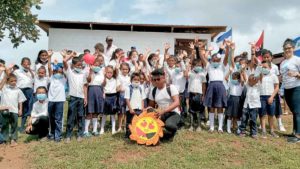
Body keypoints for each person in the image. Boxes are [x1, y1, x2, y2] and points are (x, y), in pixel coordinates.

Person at [148, 68, 180, 140]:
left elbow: (177, 102)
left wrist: (164, 111)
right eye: (154, 80)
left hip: (173, 113)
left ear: (163, 78)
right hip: (160, 114)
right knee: (148, 127)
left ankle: (175, 128)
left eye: (158, 79)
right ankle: (164, 131)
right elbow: (151, 106)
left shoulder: (171, 87)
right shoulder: (153, 90)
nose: (156, 81)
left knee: (169, 125)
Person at [63, 52, 88, 143]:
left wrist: (85, 98)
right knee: (71, 117)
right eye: (78, 65)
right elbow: (64, 60)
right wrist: (71, 55)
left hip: (81, 98)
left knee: (81, 116)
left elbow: (85, 86)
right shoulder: (69, 72)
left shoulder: (83, 74)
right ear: (73, 65)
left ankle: (80, 134)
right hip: (73, 98)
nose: (80, 67)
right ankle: (68, 136)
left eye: (81, 65)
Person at [280, 38, 300, 143]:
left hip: (296, 88)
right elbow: (282, 76)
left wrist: (297, 74)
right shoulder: (283, 63)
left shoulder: (297, 60)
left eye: (289, 48)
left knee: (297, 111)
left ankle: (298, 136)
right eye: (285, 48)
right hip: (287, 89)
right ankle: (294, 132)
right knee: (294, 112)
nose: (287, 50)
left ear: (293, 48)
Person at [261, 49, 286, 132]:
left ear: (272, 57)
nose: (266, 58)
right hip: (264, 91)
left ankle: (280, 124)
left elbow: (278, 78)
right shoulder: (261, 66)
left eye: (268, 57)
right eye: (264, 57)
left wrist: (277, 89)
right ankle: (262, 126)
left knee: (277, 108)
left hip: (274, 91)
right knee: (263, 108)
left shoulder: (275, 67)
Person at [0, 73, 26, 146]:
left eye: (15, 81)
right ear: (8, 82)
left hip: (14, 110)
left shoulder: (18, 90)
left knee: (14, 125)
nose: (14, 82)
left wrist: (20, 110)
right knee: (4, 125)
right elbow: (1, 86)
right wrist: (6, 76)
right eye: (12, 81)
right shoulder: (4, 88)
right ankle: (4, 140)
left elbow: (20, 101)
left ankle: (13, 140)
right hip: (4, 110)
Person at [85, 56, 105, 137]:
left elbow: (103, 83)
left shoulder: (102, 71)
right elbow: (88, 81)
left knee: (96, 112)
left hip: (99, 90)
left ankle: (94, 130)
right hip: (91, 90)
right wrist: (90, 71)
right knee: (90, 111)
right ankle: (86, 131)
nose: (97, 65)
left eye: (98, 64)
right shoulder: (88, 70)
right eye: (95, 64)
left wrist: (103, 91)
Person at [47, 53, 66, 142]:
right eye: (57, 72)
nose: (58, 73)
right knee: (51, 118)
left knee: (58, 119)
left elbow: (66, 68)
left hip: (60, 101)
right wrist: (49, 57)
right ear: (54, 72)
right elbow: (49, 68)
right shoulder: (51, 78)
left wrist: (64, 57)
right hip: (51, 101)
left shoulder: (63, 79)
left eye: (60, 72)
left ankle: (58, 136)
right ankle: (52, 134)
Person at [259, 61, 279, 138]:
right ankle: (263, 131)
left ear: (270, 68)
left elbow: (276, 87)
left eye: (265, 67)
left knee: (271, 114)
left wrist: (272, 97)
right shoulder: (260, 76)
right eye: (262, 67)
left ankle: (272, 130)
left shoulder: (273, 76)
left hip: (271, 97)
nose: (264, 69)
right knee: (262, 114)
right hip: (261, 97)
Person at [13, 57, 34, 132]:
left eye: (28, 62)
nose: (26, 64)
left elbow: (35, 78)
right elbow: (13, 79)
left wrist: (30, 70)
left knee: (30, 108)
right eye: (24, 62)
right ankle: (20, 126)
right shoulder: (17, 71)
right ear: (21, 64)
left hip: (30, 90)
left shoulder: (32, 71)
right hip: (20, 90)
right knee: (21, 108)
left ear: (30, 64)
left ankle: (29, 125)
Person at [186, 59, 207, 132]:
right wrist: (187, 67)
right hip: (191, 94)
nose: (199, 67)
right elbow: (185, 75)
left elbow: (204, 85)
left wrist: (203, 95)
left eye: (200, 65)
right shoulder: (190, 73)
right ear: (193, 66)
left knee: (200, 110)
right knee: (191, 110)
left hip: (199, 94)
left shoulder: (202, 74)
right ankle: (191, 125)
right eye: (197, 65)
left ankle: (199, 126)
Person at [238, 74, 261, 139]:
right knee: (244, 119)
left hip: (255, 106)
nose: (249, 82)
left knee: (253, 120)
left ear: (255, 81)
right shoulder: (247, 85)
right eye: (248, 81)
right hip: (246, 105)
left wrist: (257, 76)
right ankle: (242, 131)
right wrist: (242, 72)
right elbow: (244, 79)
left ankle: (253, 133)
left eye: (250, 81)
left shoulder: (258, 86)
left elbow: (260, 78)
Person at [124, 73, 146, 138]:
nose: (136, 81)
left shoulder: (141, 88)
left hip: (139, 108)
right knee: (130, 122)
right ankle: (128, 135)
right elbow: (127, 99)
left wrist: (142, 108)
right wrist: (130, 109)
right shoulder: (128, 88)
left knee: (138, 122)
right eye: (135, 79)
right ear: (131, 80)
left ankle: (137, 135)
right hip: (131, 109)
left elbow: (142, 99)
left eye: (138, 80)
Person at [100, 65, 121, 135]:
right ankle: (102, 129)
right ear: (105, 72)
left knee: (113, 114)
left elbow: (118, 87)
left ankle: (113, 129)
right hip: (106, 97)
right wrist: (103, 76)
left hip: (113, 97)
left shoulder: (115, 79)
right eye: (108, 72)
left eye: (111, 72)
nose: (109, 74)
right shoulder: (104, 79)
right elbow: (102, 85)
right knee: (104, 114)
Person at [117, 63, 131, 132]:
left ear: (128, 70)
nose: (125, 71)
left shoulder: (130, 77)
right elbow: (119, 87)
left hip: (128, 96)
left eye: (126, 69)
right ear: (121, 70)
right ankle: (119, 127)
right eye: (123, 69)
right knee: (120, 112)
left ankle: (125, 126)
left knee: (126, 112)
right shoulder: (119, 77)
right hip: (121, 95)